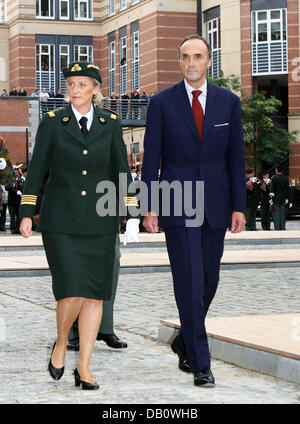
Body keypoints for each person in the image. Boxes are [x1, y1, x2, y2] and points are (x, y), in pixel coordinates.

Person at [19, 61, 138, 390]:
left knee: (95, 297)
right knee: (70, 291)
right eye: (71, 84)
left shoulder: (110, 123)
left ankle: (84, 367)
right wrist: (27, 212)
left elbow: (122, 170)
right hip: (61, 222)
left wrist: (132, 214)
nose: (74, 90)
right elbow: (37, 170)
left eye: (82, 84)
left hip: (100, 222)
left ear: (96, 89)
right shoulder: (53, 122)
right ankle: (61, 343)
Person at [141, 34, 246, 388]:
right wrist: (149, 205)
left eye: (198, 56)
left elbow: (236, 159)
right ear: (180, 61)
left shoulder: (229, 103)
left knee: (209, 280)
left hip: (216, 203)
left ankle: (184, 339)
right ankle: (201, 362)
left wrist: (239, 207)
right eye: (185, 57)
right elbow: (150, 159)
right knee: (189, 281)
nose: (191, 63)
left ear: (208, 61)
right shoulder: (161, 103)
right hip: (176, 201)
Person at [5, 166, 24, 234]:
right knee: (12, 216)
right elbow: (7, 187)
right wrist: (16, 191)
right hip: (11, 201)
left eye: (17, 172)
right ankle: (13, 228)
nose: (16, 173)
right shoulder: (10, 180)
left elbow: (22, 188)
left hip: (19, 201)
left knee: (19, 216)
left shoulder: (21, 180)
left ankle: (18, 228)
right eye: (15, 172)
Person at [270, 165, 289, 230]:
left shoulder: (274, 178)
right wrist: (287, 198)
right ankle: (282, 228)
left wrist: (271, 199)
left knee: (276, 214)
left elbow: (272, 190)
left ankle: (277, 228)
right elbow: (287, 189)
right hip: (283, 198)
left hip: (275, 198)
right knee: (282, 214)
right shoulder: (286, 178)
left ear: (276, 170)